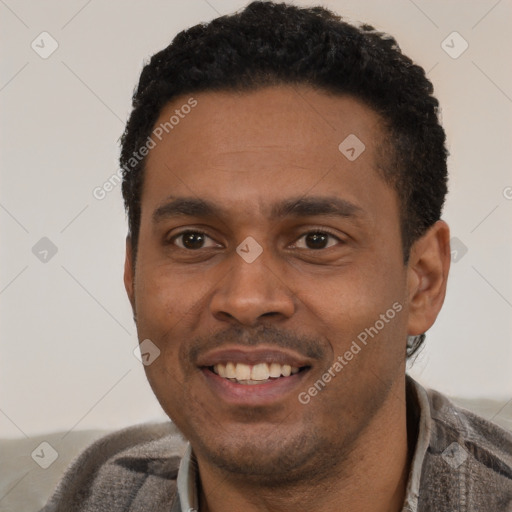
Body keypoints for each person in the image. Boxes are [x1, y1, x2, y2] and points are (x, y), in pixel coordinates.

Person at [41, 2, 512, 511]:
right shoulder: (95, 493)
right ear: (132, 276)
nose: (246, 299)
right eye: (193, 240)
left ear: (423, 279)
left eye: (315, 240)